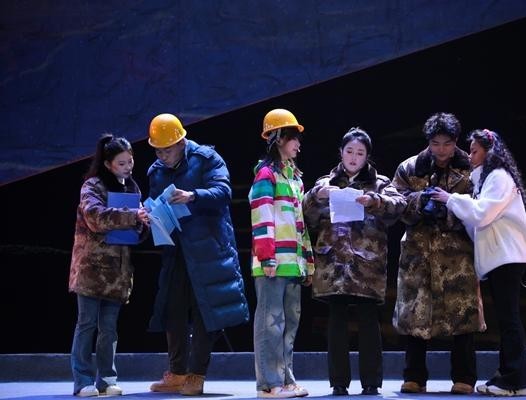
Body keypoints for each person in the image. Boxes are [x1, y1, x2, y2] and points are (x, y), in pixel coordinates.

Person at [146, 113, 249, 396]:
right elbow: (156, 204)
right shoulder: (156, 171)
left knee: (206, 311)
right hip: (175, 250)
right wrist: (149, 215)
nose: (162, 156)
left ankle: (196, 373)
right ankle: (177, 372)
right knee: (173, 310)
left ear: (181, 142)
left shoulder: (206, 159)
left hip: (208, 250)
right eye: (158, 151)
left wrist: (193, 195)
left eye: (167, 150)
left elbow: (223, 191)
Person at [431, 129, 526, 397]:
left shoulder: (498, 177)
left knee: (509, 319)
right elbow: (476, 220)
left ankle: (515, 381)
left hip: (508, 257)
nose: (470, 155)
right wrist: (458, 205)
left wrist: (451, 199)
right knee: (506, 319)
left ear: (488, 153)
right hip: (501, 258)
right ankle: (508, 376)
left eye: (475, 150)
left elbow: (482, 214)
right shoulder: (487, 179)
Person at [303, 127, 406, 396]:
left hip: (366, 264)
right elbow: (305, 215)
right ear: (341, 152)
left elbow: (399, 206)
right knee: (336, 320)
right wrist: (316, 196)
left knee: (368, 319)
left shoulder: (380, 182)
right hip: (333, 262)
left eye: (359, 153)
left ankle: (371, 382)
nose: (353, 157)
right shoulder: (325, 183)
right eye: (349, 151)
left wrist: (374, 200)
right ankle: (338, 382)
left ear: (367, 156)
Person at [388, 112, 484, 395]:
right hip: (418, 254)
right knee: (416, 315)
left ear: (456, 141)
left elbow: (481, 206)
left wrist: (449, 210)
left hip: (458, 255)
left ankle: (464, 378)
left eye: (447, 144)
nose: (441, 150)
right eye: (435, 144)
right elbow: (395, 204)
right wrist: (421, 202)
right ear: (428, 142)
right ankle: (414, 376)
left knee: (462, 314)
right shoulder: (409, 168)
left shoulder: (471, 168)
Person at [68, 134, 149, 397]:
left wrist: (144, 223)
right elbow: (95, 217)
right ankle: (82, 381)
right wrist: (132, 216)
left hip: (117, 273)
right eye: (121, 163)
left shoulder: (132, 188)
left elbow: (135, 230)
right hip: (92, 269)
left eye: (130, 162)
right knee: (86, 324)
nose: (128, 167)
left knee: (109, 329)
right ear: (108, 164)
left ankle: (106, 379)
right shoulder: (92, 186)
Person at [248, 108, 314, 398]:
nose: (298, 144)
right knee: (270, 324)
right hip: (272, 264)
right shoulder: (266, 175)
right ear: (279, 139)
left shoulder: (295, 178)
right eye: (293, 138)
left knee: (289, 324)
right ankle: (269, 384)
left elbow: (300, 224)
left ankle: (286, 380)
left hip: (293, 264)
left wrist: (308, 261)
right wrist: (267, 257)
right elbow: (262, 218)